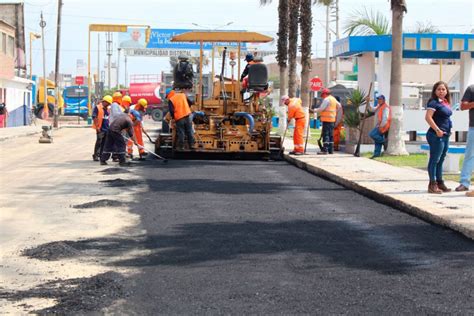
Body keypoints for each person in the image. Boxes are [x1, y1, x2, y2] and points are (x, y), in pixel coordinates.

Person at [424, 81, 453, 194]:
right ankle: (432, 185)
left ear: (446, 91)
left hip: (445, 135)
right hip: (435, 135)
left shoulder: (445, 102)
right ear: (435, 91)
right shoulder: (433, 103)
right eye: (439, 89)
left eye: (443, 89)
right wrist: (437, 130)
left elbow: (446, 119)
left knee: (441, 160)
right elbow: (428, 117)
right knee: (434, 160)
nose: (441, 91)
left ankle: (440, 183)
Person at [455, 84, 474, 197]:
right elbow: (462, 106)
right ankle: (464, 183)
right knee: (470, 155)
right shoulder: (471, 88)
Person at [314, 88, 340, 155]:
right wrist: (334, 112)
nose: (322, 96)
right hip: (332, 119)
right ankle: (330, 150)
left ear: (325, 94)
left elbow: (322, 108)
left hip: (326, 120)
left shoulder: (327, 99)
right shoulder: (333, 99)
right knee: (331, 135)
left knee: (326, 135)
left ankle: (325, 150)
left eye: (322, 94)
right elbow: (339, 106)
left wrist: (314, 110)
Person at [92, 95, 112, 161]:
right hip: (100, 128)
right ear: (105, 102)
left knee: (104, 143)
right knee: (99, 142)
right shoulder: (97, 107)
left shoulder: (108, 109)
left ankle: (101, 155)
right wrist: (97, 127)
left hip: (106, 128)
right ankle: (96, 155)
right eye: (108, 103)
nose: (109, 104)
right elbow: (94, 117)